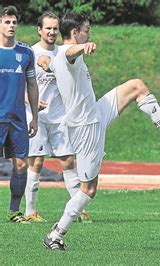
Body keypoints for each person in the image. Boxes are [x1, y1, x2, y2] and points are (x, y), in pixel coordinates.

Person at [39, 12, 160, 250]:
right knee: (89, 190)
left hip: (95, 111)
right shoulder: (68, 53)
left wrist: (44, 62)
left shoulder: (57, 56)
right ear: (75, 33)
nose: (89, 33)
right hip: (85, 128)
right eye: (86, 30)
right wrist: (83, 47)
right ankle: (57, 233)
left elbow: (49, 61)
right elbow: (70, 53)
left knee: (137, 86)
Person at [23, 12, 87, 223]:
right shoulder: (30, 53)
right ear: (39, 30)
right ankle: (30, 212)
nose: (51, 32)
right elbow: (19, 86)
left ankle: (78, 209)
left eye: (55, 28)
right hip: (37, 117)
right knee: (37, 162)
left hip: (60, 117)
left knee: (68, 161)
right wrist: (30, 101)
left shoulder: (63, 53)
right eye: (47, 28)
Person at [0, 5, 39, 224]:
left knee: (22, 165)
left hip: (18, 119)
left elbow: (32, 85)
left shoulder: (25, 53)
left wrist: (35, 115)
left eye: (14, 22)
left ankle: (14, 211)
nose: (11, 25)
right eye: (7, 21)